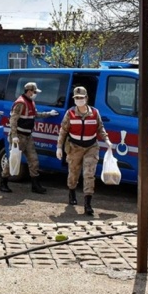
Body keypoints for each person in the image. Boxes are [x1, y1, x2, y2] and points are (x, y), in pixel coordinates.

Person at [56, 86, 112, 215]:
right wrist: (59, 147)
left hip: (91, 147)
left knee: (89, 174)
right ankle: (72, 192)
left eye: (81, 98)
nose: (79, 100)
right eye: (77, 98)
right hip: (74, 147)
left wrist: (107, 140)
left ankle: (87, 203)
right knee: (73, 173)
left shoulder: (94, 112)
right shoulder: (70, 113)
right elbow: (63, 131)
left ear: (86, 98)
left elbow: (100, 128)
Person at [0, 82, 59, 194]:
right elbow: (13, 120)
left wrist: (49, 114)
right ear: (29, 91)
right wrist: (14, 136)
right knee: (13, 160)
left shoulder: (31, 102)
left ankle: (35, 185)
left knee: (34, 160)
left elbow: (35, 115)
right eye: (35, 92)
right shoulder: (20, 103)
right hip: (19, 136)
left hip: (28, 136)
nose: (36, 94)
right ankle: (3, 182)